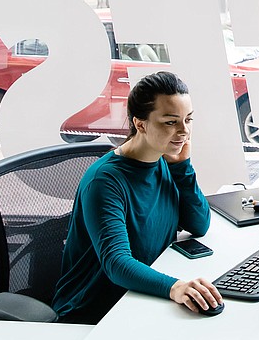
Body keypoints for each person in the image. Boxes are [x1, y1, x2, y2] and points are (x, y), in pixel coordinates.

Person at [52, 71, 222, 323]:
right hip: (94, 311)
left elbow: (199, 225)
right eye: (170, 122)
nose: (183, 131)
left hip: (140, 298)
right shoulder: (105, 181)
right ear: (140, 124)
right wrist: (176, 288)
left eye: (188, 119)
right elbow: (116, 263)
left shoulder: (162, 159)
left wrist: (182, 167)